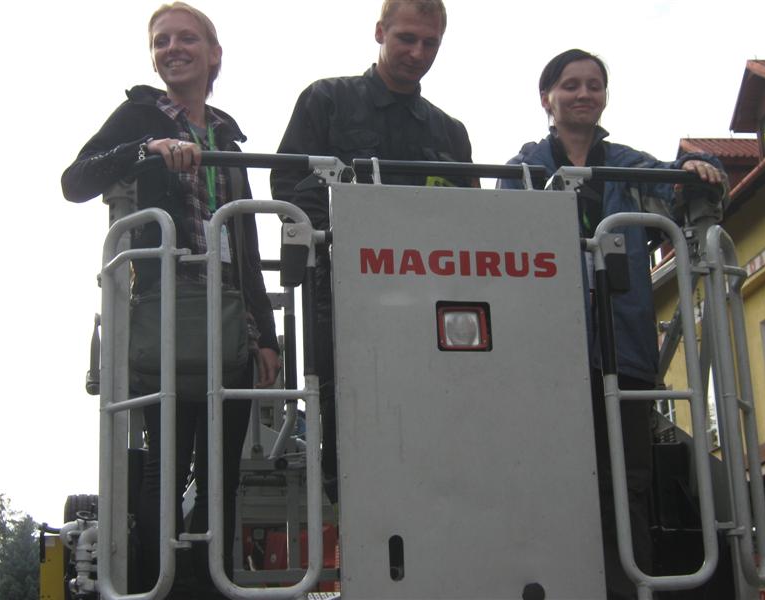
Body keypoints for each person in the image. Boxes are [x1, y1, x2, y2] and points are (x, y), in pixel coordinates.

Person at [61, 3, 280, 597]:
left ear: (214, 54)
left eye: (187, 38)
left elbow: (246, 241)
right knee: (167, 461)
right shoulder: (139, 114)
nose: (173, 48)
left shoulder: (227, 135)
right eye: (161, 41)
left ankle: (212, 584)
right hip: (166, 313)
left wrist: (265, 335)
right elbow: (75, 181)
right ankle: (161, 584)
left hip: (229, 315)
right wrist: (146, 149)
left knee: (222, 469)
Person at [497, 49, 725, 600]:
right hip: (548, 355)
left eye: (594, 85)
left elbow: (682, 190)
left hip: (625, 352)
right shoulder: (522, 171)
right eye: (570, 84)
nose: (583, 94)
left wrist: (697, 167)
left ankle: (628, 590)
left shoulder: (629, 165)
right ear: (547, 97)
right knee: (554, 479)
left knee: (630, 483)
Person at [271, 0, 473, 504]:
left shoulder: (451, 132)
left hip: (431, 302)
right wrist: (345, 240)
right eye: (407, 38)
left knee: (438, 422)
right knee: (349, 424)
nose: (418, 52)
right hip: (341, 294)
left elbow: (468, 216)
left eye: (430, 43)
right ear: (380, 31)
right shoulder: (326, 100)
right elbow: (288, 184)